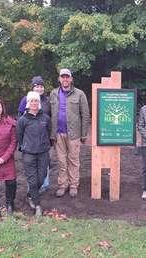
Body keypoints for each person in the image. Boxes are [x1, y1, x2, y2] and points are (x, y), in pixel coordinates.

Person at [50, 68, 90, 198]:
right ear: (59, 79)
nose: (65, 79)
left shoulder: (79, 94)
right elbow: (50, 114)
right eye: (63, 77)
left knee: (73, 160)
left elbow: (85, 115)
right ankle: (63, 185)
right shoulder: (53, 93)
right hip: (58, 133)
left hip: (74, 134)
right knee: (61, 161)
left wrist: (84, 134)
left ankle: (73, 185)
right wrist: (52, 134)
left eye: (67, 77)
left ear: (71, 79)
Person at [17, 91, 51, 217]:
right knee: (32, 180)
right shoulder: (23, 120)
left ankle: (31, 195)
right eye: (31, 101)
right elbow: (19, 136)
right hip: (29, 154)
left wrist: (46, 146)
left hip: (43, 152)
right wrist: (25, 147)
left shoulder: (45, 118)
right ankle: (37, 205)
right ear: (28, 103)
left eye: (36, 101)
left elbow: (49, 132)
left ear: (39, 103)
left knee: (42, 177)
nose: (34, 103)